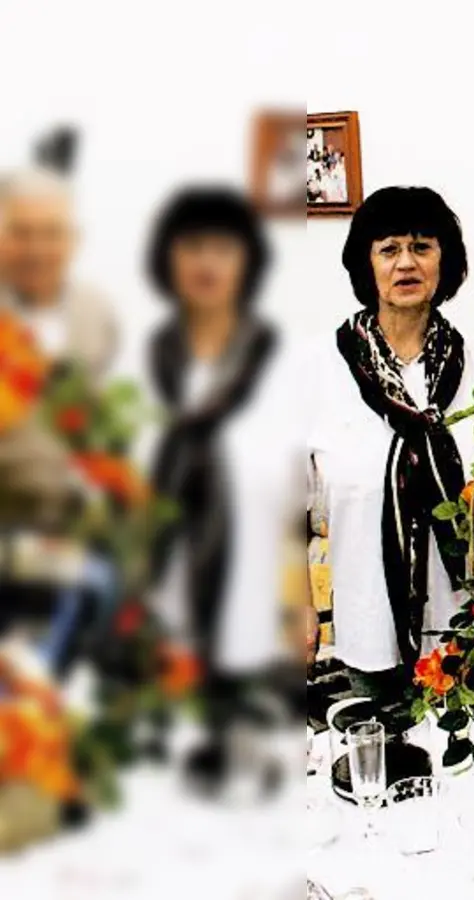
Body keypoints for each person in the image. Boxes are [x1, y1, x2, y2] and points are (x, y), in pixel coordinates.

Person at [303, 186, 474, 703]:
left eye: (422, 247)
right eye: (389, 248)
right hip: (369, 634)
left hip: (470, 635)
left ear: (446, 261)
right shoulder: (318, 372)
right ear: (365, 264)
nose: (406, 264)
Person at [136, 186, 302, 783]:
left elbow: (299, 494)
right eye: (192, 247)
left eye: (222, 248)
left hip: (262, 604)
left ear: (247, 261)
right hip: (170, 599)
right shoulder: (147, 360)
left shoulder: (281, 363)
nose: (206, 263)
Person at [0, 168, 118, 382]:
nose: (36, 250)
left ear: (75, 240)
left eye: (52, 233)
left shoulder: (97, 311)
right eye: (21, 233)